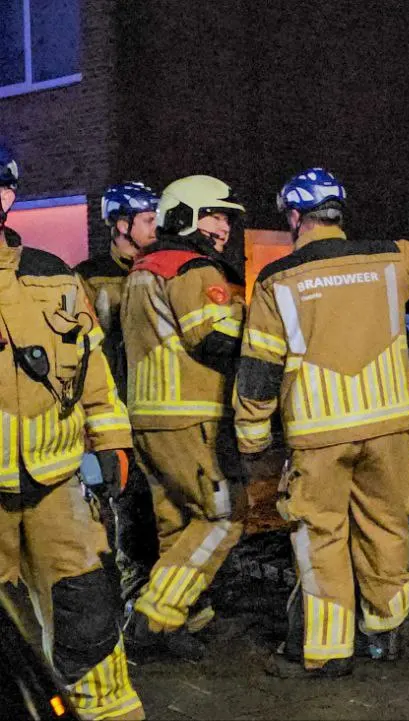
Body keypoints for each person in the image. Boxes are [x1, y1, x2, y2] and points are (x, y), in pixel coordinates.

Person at [234, 168, 409, 677]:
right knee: (387, 525)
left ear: (295, 217)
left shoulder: (277, 280)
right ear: (338, 213)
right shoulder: (392, 258)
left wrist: (251, 440)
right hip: (389, 426)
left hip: (319, 433)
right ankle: (385, 632)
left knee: (321, 534)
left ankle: (331, 651)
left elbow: (259, 369)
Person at [0, 145, 144, 718]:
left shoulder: (54, 277)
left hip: (58, 490)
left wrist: (111, 445)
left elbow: (95, 375)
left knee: (89, 620)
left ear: (7, 197)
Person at [120, 175, 248, 661]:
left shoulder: (143, 268)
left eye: (228, 218)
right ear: (186, 215)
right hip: (191, 416)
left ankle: (187, 617)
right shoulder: (193, 268)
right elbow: (217, 340)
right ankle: (155, 618)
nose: (224, 227)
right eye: (215, 215)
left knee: (177, 524)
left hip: (149, 418)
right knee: (222, 519)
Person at [76, 183, 162, 602]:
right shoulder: (89, 277)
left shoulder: (159, 269)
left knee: (156, 507)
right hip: (112, 411)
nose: (156, 227)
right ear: (122, 224)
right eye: (148, 220)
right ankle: (129, 595)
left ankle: (156, 594)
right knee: (120, 504)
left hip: (155, 406)